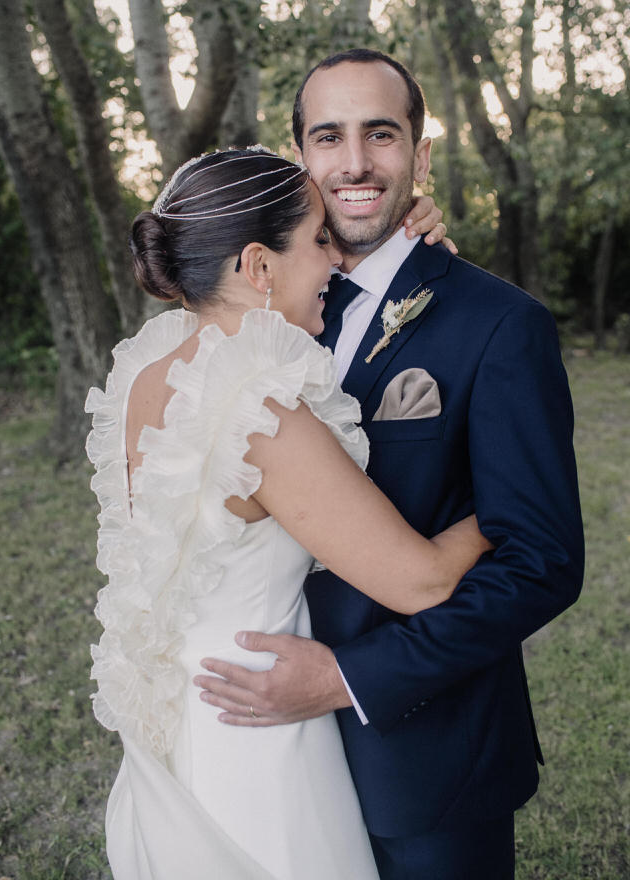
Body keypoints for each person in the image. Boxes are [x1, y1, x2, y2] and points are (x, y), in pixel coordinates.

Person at [195, 50, 585, 880]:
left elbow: (541, 563)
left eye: (382, 133)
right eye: (329, 137)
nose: (357, 162)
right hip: (266, 758)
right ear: (301, 156)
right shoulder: (259, 307)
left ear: (421, 153)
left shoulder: (499, 325)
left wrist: (349, 679)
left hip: (424, 756)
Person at [85, 146, 490, 880]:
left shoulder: (149, 373)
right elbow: (422, 584)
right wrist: (496, 508)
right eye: (317, 242)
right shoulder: (261, 412)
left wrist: (408, 230)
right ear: (258, 268)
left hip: (183, 720)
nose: (335, 261)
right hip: (260, 733)